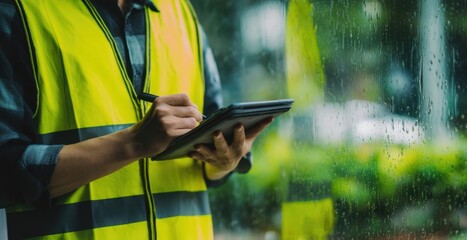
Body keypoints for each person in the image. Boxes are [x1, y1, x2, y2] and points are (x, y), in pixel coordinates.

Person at [0, 0, 272, 239]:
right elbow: (6, 172)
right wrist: (135, 143)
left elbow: (207, 157)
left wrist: (224, 161)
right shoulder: (19, 12)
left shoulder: (183, 13)